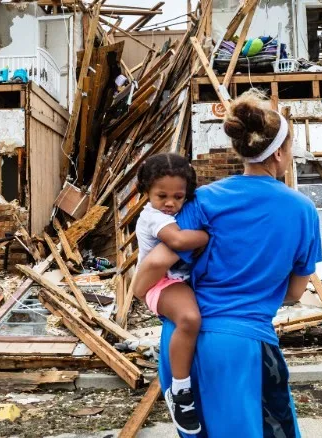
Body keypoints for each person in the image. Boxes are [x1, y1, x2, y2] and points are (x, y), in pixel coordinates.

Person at [132, 89, 322, 437]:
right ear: (278, 152)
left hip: (183, 344)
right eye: (290, 149)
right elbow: (296, 292)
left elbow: (156, 261)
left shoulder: (203, 200)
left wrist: (141, 291)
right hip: (244, 345)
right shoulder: (302, 210)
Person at [133, 153, 208, 434]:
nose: (170, 203)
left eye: (178, 196)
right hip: (160, 284)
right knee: (189, 319)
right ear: (146, 193)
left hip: (178, 281)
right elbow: (177, 240)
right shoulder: (153, 216)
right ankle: (180, 391)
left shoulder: (181, 210)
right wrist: (207, 236)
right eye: (161, 195)